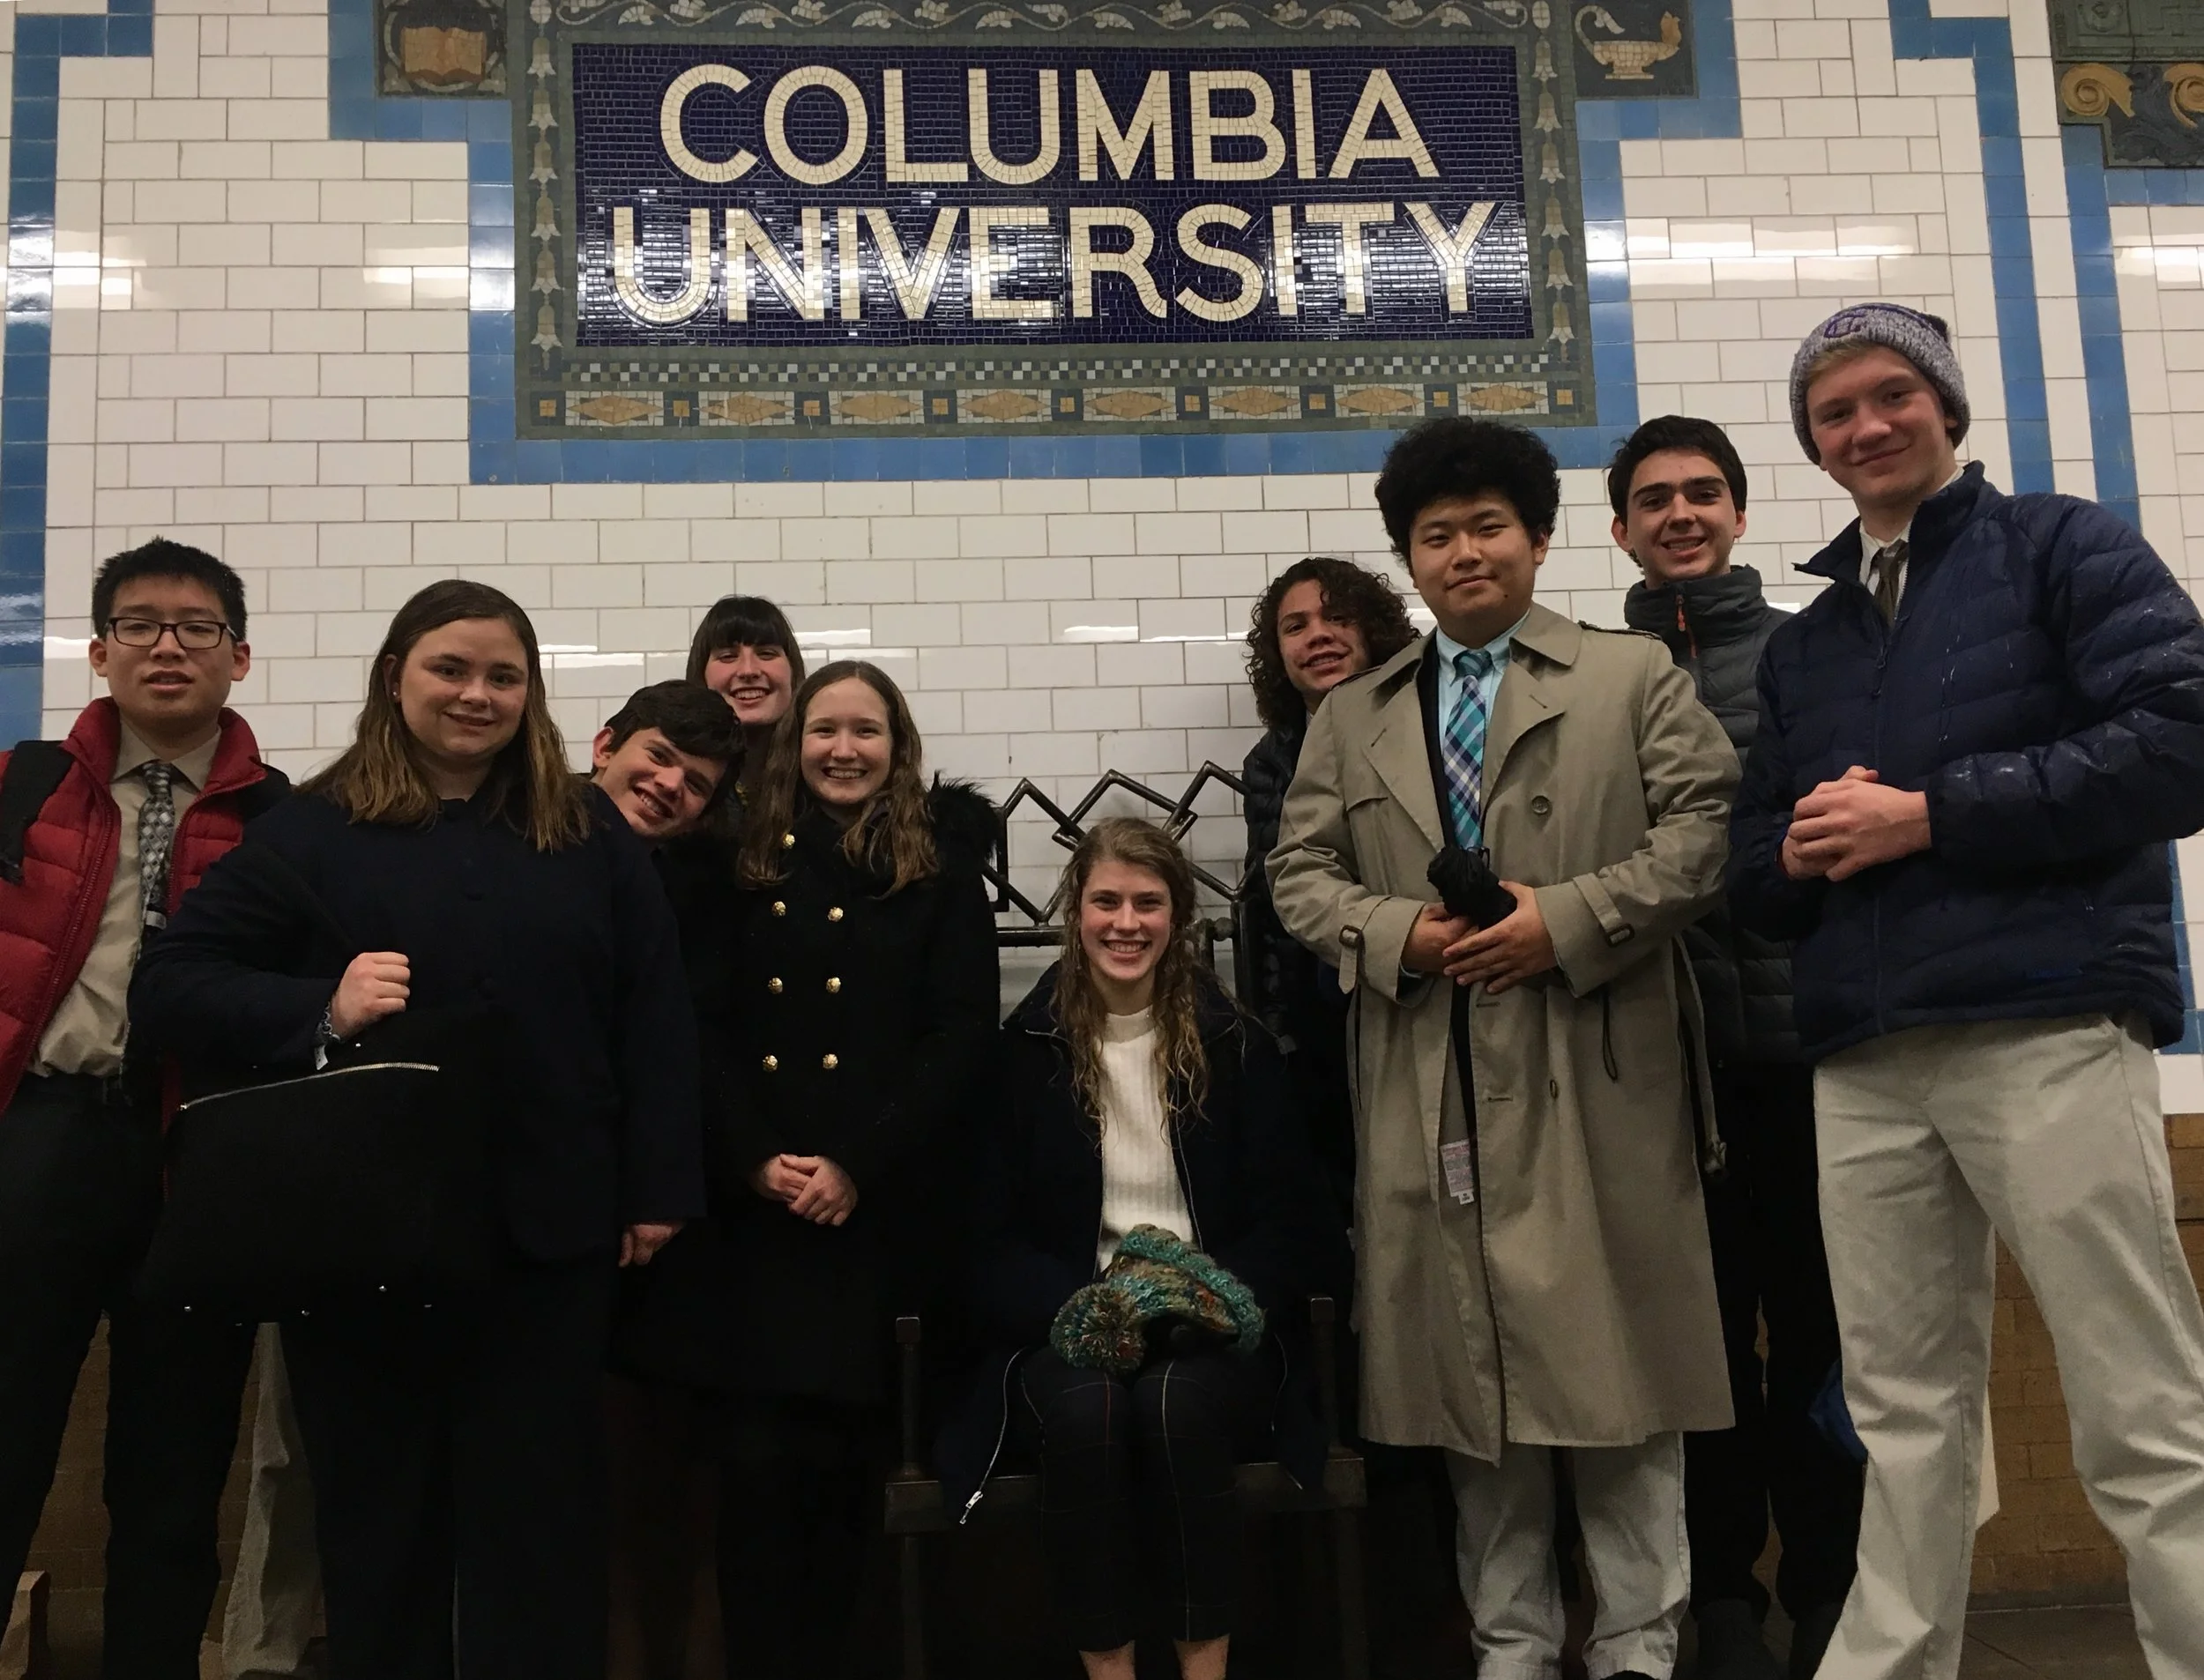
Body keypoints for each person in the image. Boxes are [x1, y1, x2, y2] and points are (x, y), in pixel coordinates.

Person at [1730, 302, 2204, 1680]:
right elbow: (1755, 867)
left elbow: (2179, 744)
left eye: (1892, 395)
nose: (1867, 425)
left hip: (2046, 1020)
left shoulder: (2065, 545)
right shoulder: (1803, 644)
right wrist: (1807, 850)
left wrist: (1929, 814)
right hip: (1866, 1055)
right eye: (1834, 412)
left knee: (2139, 1397)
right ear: (1815, 449)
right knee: (1896, 1413)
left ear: (1948, 407)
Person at [130, 579, 705, 1680]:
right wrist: (318, 1005)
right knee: (378, 1526)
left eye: (502, 675)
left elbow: (655, 1014)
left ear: (530, 695)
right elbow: (171, 981)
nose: (475, 694)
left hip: (551, 1237)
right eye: (451, 668)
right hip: (363, 1248)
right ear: (395, 675)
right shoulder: (316, 827)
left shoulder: (585, 830)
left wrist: (656, 1186)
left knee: (540, 1532)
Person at [1268, 417, 1738, 1680]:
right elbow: (1297, 873)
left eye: (1487, 527)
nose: (1464, 552)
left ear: (1538, 536)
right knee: (1475, 1385)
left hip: (1600, 1070)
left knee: (1623, 1375)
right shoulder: (1354, 713)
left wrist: (1564, 920)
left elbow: (1703, 834)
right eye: (1436, 536)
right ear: (1408, 562)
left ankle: (1640, 1648)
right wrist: (1400, 936)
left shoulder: (1631, 675)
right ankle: (1513, 1648)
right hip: (1434, 1083)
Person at [615, 659, 999, 1680]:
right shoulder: (734, 860)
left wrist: (855, 1164)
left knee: (847, 1483)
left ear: (896, 746)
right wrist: (751, 1159)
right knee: (749, 1485)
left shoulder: (937, 866)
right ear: (792, 743)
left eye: (866, 731)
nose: (843, 749)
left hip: (868, 1224)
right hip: (752, 1227)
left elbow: (961, 1034)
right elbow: (695, 1023)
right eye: (825, 728)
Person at [939, 817, 1341, 1680]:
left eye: (1148, 902)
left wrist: (1208, 1300)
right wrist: (1080, 1308)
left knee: (1172, 1404)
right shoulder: (1024, 1053)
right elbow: (983, 1240)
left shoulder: (1236, 1047)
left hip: (1211, 1325)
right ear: (1073, 912)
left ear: (1179, 916)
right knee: (1089, 1411)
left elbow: (1292, 1225)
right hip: (1064, 1322)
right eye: (1106, 900)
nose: (1126, 922)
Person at [0, 538, 285, 1680]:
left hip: (199, 1162)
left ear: (242, 655)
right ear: (99, 648)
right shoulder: (19, 783)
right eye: (142, 622)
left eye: (198, 625)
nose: (169, 644)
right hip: (41, 1140)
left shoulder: (287, 822)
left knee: (173, 1475)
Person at [1610, 416, 1859, 1680]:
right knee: (1700, 1354)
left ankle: (1828, 1591)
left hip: (1816, 1064)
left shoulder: (1811, 652)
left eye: (1703, 493)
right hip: (1668, 1078)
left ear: (1741, 511)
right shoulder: (1600, 673)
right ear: (1620, 530)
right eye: (1653, 499)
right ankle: (1719, 1596)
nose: (1680, 514)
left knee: (1823, 1341)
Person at [1240, 557, 1418, 1212]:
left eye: (1338, 617)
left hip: (1435, 986)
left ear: (1373, 630)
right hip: (1329, 1015)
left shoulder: (1429, 725)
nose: (1318, 635)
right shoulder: (1271, 762)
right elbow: (1279, 902)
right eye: (1296, 626)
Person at [687, 595, 804, 792]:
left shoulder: (824, 768)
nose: (748, 671)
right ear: (701, 673)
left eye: (766, 653)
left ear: (793, 671)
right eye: (728, 656)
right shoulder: (675, 777)